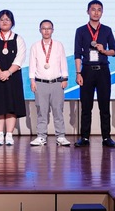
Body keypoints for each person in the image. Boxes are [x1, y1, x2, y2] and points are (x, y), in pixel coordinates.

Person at [74, 0, 115, 148]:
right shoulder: (81, 31)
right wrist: (78, 73)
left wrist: (103, 51)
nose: (96, 12)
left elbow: (114, 51)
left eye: (99, 9)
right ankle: (84, 137)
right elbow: (77, 54)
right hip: (86, 70)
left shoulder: (107, 30)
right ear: (88, 11)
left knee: (104, 106)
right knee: (86, 106)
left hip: (103, 70)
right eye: (93, 9)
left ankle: (106, 137)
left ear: (102, 12)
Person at [0, 9, 26, 146]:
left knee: (11, 105)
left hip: (13, 76)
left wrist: (8, 72)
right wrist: (0, 73)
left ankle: (9, 135)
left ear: (12, 22)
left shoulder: (18, 38)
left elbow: (20, 58)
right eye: (2, 19)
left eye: (7, 19)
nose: (4, 22)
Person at [29, 19, 70, 147]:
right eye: (44, 28)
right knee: (42, 111)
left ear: (52, 30)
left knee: (58, 110)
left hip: (57, 82)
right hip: (40, 83)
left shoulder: (58, 45)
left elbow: (63, 61)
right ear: (40, 30)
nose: (46, 31)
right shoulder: (35, 46)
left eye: (49, 28)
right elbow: (32, 64)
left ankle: (61, 136)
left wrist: (65, 78)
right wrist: (32, 80)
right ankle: (41, 136)